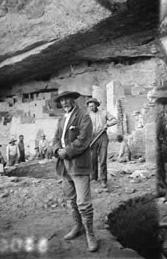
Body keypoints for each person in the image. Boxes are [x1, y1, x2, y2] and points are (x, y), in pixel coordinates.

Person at [52, 91, 98, 252]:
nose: (64, 102)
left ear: (73, 100)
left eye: (67, 99)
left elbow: (84, 140)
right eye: (62, 100)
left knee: (83, 203)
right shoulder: (61, 119)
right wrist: (57, 149)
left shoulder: (83, 117)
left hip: (79, 165)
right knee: (71, 201)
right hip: (64, 166)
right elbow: (56, 139)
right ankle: (78, 226)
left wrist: (67, 151)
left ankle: (90, 234)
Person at [86, 98, 117, 189]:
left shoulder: (104, 113)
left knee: (102, 159)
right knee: (93, 159)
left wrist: (107, 125)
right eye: (90, 106)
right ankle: (94, 177)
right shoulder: (88, 116)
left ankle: (103, 179)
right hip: (92, 138)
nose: (91, 108)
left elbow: (114, 120)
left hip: (102, 136)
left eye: (93, 106)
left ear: (96, 105)